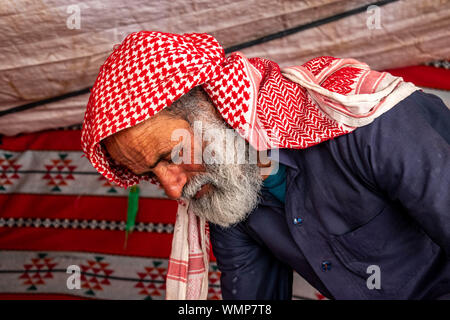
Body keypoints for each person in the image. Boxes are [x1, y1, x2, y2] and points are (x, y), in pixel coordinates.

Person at [81, 31, 450, 299]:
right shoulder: (228, 198)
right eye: (150, 175)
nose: (173, 188)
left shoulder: (371, 122)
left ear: (211, 106)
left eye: (168, 156)